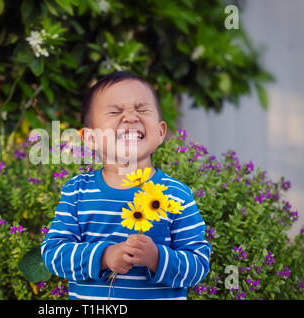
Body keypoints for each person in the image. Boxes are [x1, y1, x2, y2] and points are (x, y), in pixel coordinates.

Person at [41, 71, 211, 300]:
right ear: (90, 139)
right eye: (115, 111)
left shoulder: (176, 195)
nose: (131, 117)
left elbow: (199, 264)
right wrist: (104, 256)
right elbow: (53, 254)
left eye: (142, 109)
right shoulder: (77, 192)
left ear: (161, 132)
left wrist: (156, 258)